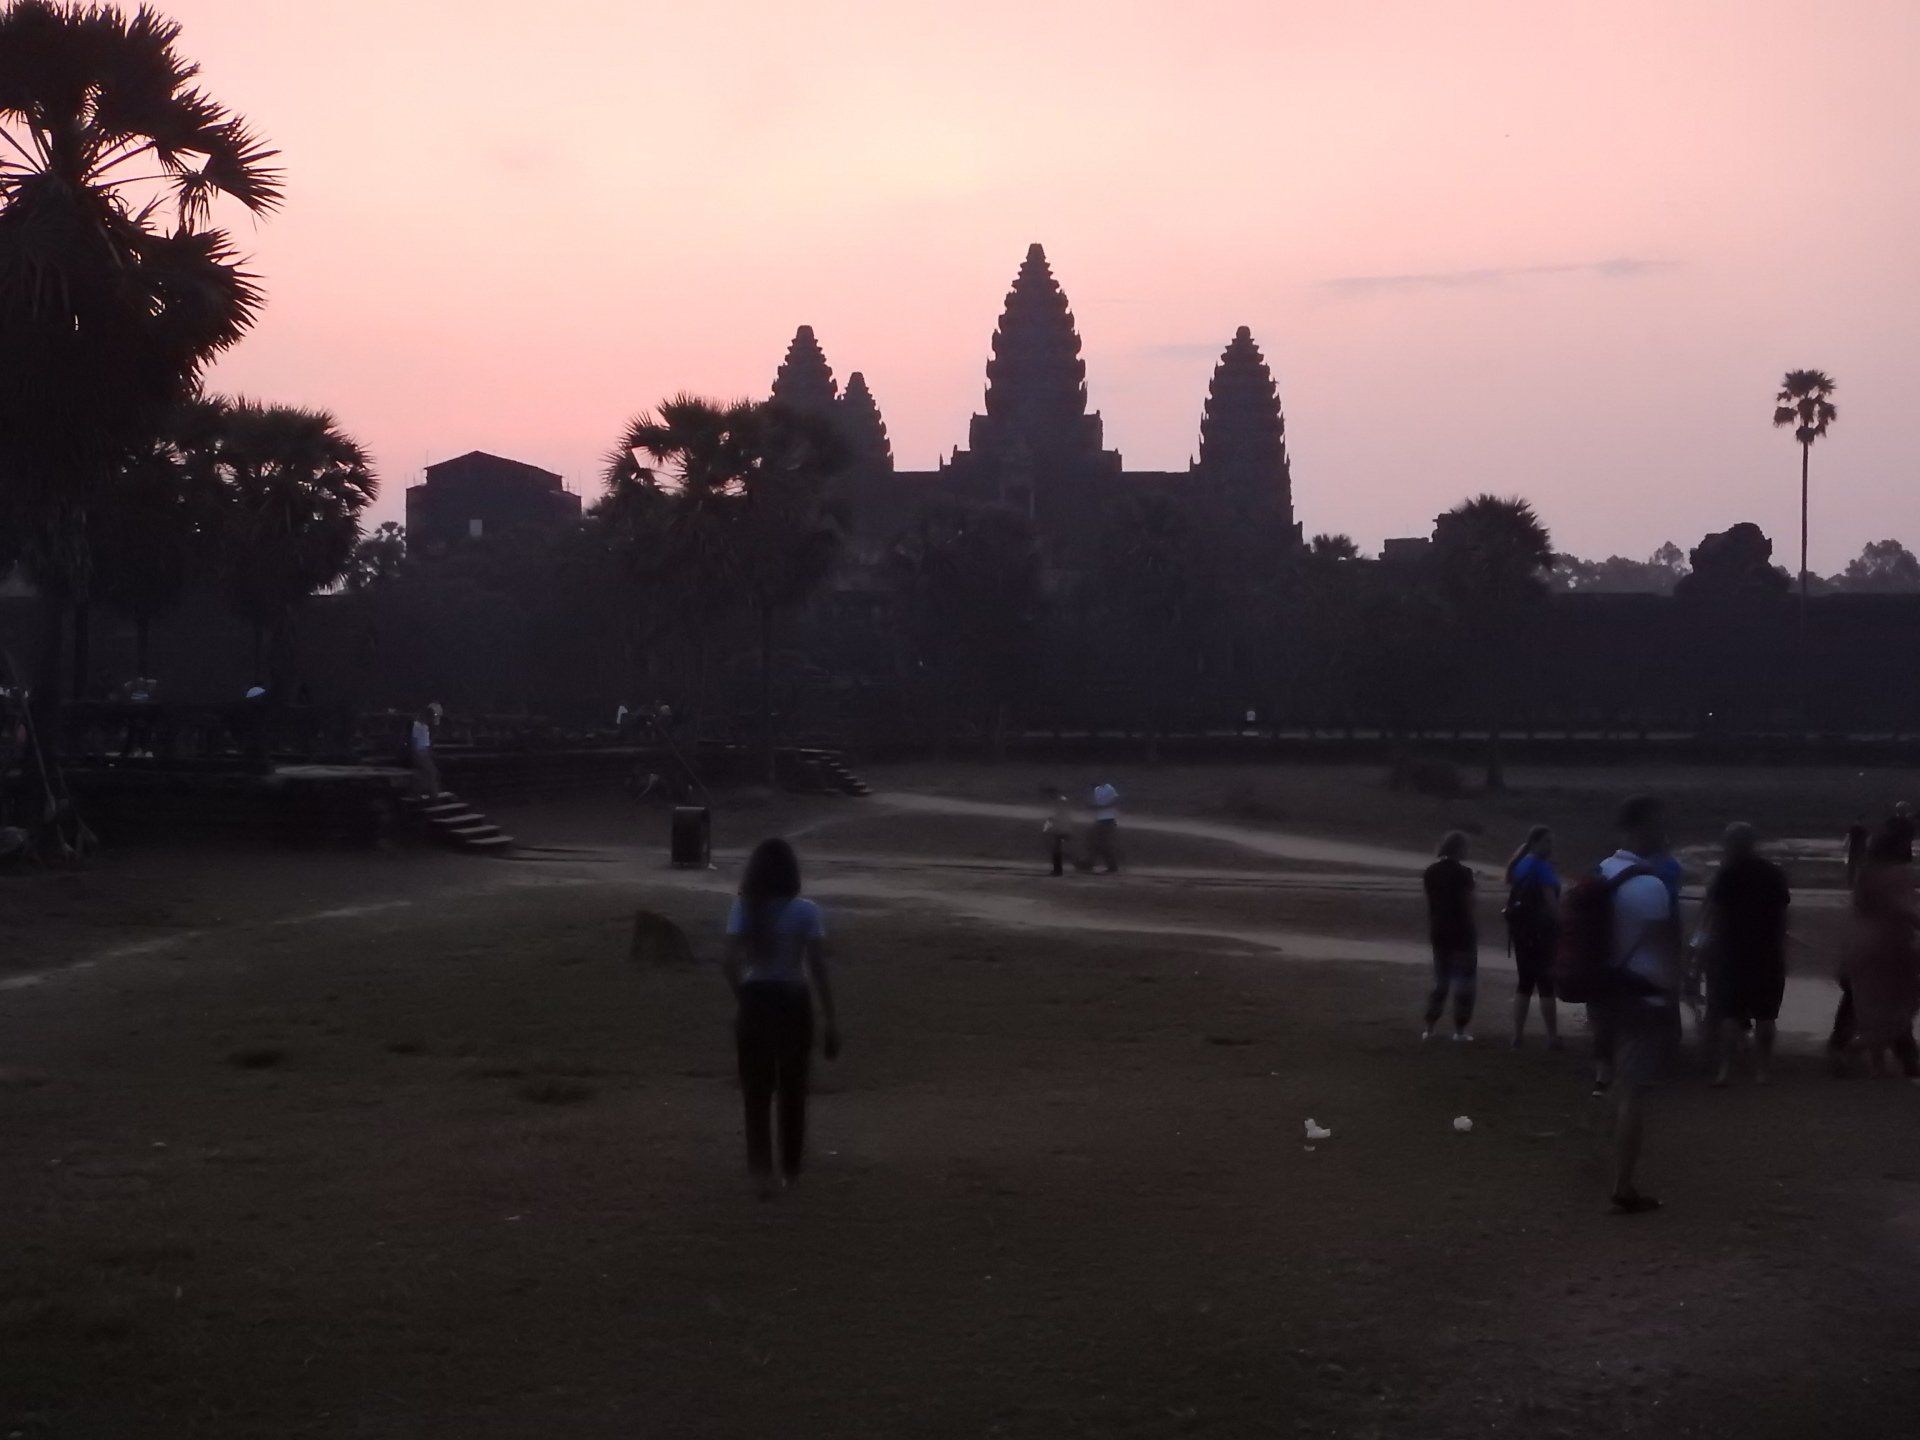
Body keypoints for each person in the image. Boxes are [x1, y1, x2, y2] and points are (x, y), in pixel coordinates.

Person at [722, 839, 840, 1195]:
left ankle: (761, 1172)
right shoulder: (806, 911)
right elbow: (817, 968)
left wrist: (744, 997)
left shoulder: (744, 908)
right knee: (793, 1089)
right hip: (793, 1000)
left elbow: (728, 962)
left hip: (756, 997)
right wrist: (830, 1018)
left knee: (756, 1091)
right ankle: (790, 1170)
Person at [1592, 795, 1684, 1214]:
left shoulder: (1601, 871)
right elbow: (1668, 950)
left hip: (1603, 992)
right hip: (1642, 997)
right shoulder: (1651, 885)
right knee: (1632, 1093)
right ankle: (1623, 1185)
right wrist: (1673, 998)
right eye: (1659, 824)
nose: (1664, 833)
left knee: (1613, 1080)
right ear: (1642, 827)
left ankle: (1608, 1161)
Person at [1700, 822, 1791, 1085]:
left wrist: (1707, 948)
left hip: (1731, 953)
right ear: (1753, 843)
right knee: (1766, 1015)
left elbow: (1715, 915)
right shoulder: (1773, 873)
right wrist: (1782, 945)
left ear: (1729, 844)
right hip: (1767, 952)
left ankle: (1725, 1069)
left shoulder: (1725, 875)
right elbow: (1783, 914)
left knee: (1729, 1015)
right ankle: (1763, 1070)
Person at [1840, 828, 1920, 1080]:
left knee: (1873, 1006)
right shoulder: (1897, 874)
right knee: (1900, 1006)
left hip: (1864, 943)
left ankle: (1875, 1063)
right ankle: (1858, 1048)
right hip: (1892, 945)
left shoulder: (1865, 873)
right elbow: (1902, 908)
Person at [1504, 826, 1561, 1048]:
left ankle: (1517, 1036)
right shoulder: (1541, 866)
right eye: (1547, 841)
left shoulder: (1521, 863)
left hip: (1521, 931)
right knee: (1546, 984)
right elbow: (1551, 902)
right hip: (1542, 932)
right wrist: (1563, 924)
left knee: (1524, 983)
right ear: (1535, 842)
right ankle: (1552, 1037)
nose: (1551, 846)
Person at [1422, 831, 1478, 1042]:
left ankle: (1430, 1026)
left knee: (1441, 980)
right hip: (1462, 933)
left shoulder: (1431, 871)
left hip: (1439, 930)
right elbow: (1467, 904)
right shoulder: (1464, 873)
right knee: (1464, 983)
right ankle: (1460, 1030)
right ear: (1459, 849)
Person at [1086, 781, 1121, 874]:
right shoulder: (1097, 790)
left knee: (1103, 843)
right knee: (1098, 842)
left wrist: (1102, 807)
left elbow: (1116, 800)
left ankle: (1111, 865)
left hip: (1107, 820)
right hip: (1102, 819)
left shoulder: (1108, 787)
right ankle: (1092, 863)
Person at [409, 704, 439, 799]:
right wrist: (417, 755)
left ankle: (430, 793)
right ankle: (431, 794)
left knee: (430, 772)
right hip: (419, 754)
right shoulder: (417, 726)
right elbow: (414, 742)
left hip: (424, 753)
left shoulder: (425, 726)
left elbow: (426, 743)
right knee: (430, 772)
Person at [1043, 787, 1073, 877]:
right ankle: (1058, 870)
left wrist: (1046, 828)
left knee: (1056, 850)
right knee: (1058, 850)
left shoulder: (1057, 802)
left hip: (1060, 829)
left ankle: (1057, 870)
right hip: (1063, 828)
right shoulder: (1063, 800)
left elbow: (1053, 817)